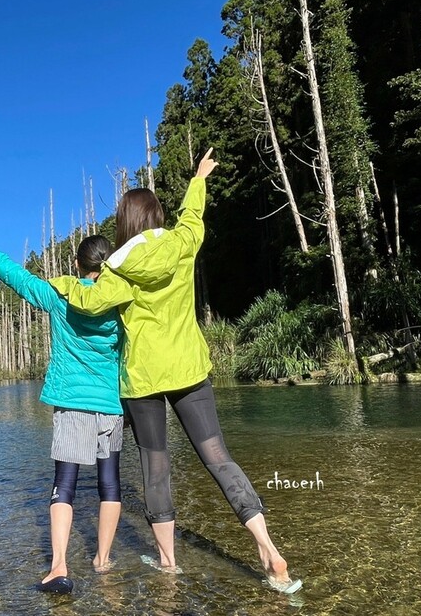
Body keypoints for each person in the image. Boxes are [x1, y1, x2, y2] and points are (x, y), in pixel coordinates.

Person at [48, 148, 302, 594]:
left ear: (125, 224)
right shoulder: (182, 243)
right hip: (189, 370)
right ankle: (267, 546)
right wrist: (199, 177)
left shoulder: (116, 269)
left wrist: (58, 282)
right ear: (157, 217)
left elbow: (86, 300)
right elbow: (192, 214)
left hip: (143, 382)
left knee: (156, 469)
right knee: (219, 458)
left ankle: (169, 563)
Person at [0, 232, 125, 595]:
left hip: (72, 403)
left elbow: (22, 280)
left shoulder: (61, 294)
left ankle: (59, 565)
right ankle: (103, 560)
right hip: (110, 404)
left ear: (77, 265)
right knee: (109, 483)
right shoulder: (120, 301)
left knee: (64, 484)